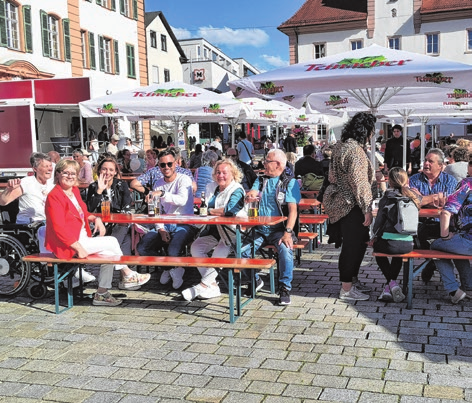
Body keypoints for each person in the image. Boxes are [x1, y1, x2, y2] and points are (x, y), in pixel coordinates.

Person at [44, 159, 150, 306]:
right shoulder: (54, 196)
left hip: (81, 237)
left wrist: (94, 218)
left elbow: (83, 211)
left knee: (109, 254)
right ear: (58, 174)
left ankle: (101, 293)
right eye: (66, 173)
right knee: (111, 241)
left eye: (73, 173)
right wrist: (77, 247)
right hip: (68, 244)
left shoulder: (73, 191)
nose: (70, 176)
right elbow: (58, 228)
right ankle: (127, 273)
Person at [323, 112, 377, 301]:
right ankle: (346, 288)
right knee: (353, 246)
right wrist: (367, 209)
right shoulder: (355, 151)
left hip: (340, 201)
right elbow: (359, 182)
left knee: (357, 243)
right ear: (366, 131)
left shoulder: (340, 146)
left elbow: (332, 176)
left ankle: (351, 281)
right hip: (351, 204)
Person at [182, 158, 247, 301]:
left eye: (224, 172)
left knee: (219, 253)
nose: (221, 175)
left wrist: (210, 211)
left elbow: (230, 210)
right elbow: (202, 207)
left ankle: (201, 286)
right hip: (215, 230)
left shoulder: (237, 189)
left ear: (233, 174)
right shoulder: (211, 186)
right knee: (196, 247)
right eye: (218, 172)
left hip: (234, 232)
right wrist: (212, 211)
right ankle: (213, 285)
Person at [243, 149, 301, 306]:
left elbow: (293, 211)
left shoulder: (290, 182)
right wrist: (249, 196)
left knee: (285, 250)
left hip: (279, 231)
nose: (264, 164)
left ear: (278, 164)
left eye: (267, 161)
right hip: (259, 229)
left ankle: (284, 288)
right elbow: (253, 191)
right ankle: (255, 280)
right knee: (241, 251)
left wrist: (288, 233)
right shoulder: (261, 180)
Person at [136, 149, 198, 289]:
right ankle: (171, 269)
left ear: (176, 163)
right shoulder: (158, 183)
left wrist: (162, 193)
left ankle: (172, 268)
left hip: (185, 223)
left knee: (172, 251)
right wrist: (161, 229)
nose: (166, 167)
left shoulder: (184, 179)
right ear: (159, 166)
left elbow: (182, 200)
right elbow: (156, 211)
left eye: (169, 164)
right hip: (166, 223)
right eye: (162, 165)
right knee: (142, 248)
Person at [409, 149, 458, 283]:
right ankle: (432, 263)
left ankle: (431, 263)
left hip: (443, 226)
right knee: (422, 237)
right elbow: (412, 202)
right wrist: (435, 198)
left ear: (440, 166)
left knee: (448, 238)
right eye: (425, 160)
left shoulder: (450, 181)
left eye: (430, 161)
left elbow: (450, 204)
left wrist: (423, 200)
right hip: (419, 225)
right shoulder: (414, 179)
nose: (426, 163)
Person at [371, 168, 421, 302]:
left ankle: (392, 283)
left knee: (377, 250)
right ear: (407, 180)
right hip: (408, 243)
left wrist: (373, 236)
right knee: (398, 254)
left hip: (389, 244)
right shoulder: (414, 197)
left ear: (390, 182)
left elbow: (378, 223)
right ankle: (388, 289)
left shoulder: (387, 198)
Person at [430, 161, 472, 303]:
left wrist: (445, 235)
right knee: (455, 247)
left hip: (468, 242)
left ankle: (453, 290)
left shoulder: (467, 184)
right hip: (464, 242)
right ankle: (468, 286)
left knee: (437, 246)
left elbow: (447, 212)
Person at [86, 156, 132, 259]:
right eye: (104, 169)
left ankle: (121, 270)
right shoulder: (93, 187)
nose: (107, 172)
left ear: (115, 172)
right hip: (99, 224)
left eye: (111, 170)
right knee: (126, 241)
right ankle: (126, 271)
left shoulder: (122, 185)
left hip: (120, 223)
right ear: (99, 170)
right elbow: (89, 209)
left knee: (117, 240)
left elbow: (126, 207)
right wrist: (99, 191)